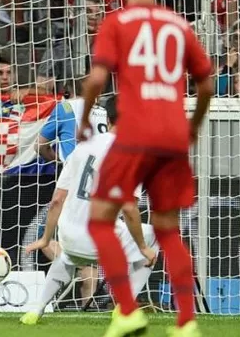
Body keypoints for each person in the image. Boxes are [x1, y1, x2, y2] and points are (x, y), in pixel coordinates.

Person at [78, 0, 214, 336]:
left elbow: (95, 80)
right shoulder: (179, 23)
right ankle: (186, 322)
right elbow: (207, 83)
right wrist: (194, 126)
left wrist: (83, 120)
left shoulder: (118, 21)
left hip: (135, 133)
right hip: (172, 135)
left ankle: (127, 310)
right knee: (169, 229)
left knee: (99, 218)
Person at [21, 97, 159, 325]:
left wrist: (46, 239)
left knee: (67, 257)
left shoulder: (82, 147)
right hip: (102, 244)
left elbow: (57, 200)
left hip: (70, 238)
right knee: (154, 237)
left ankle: (36, 309)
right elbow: (129, 208)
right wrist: (143, 248)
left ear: (107, 118)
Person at [36, 79, 108, 162]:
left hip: (76, 168)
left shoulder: (65, 108)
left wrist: (60, 161)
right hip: (103, 166)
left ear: (66, 94)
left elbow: (39, 146)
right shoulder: (104, 111)